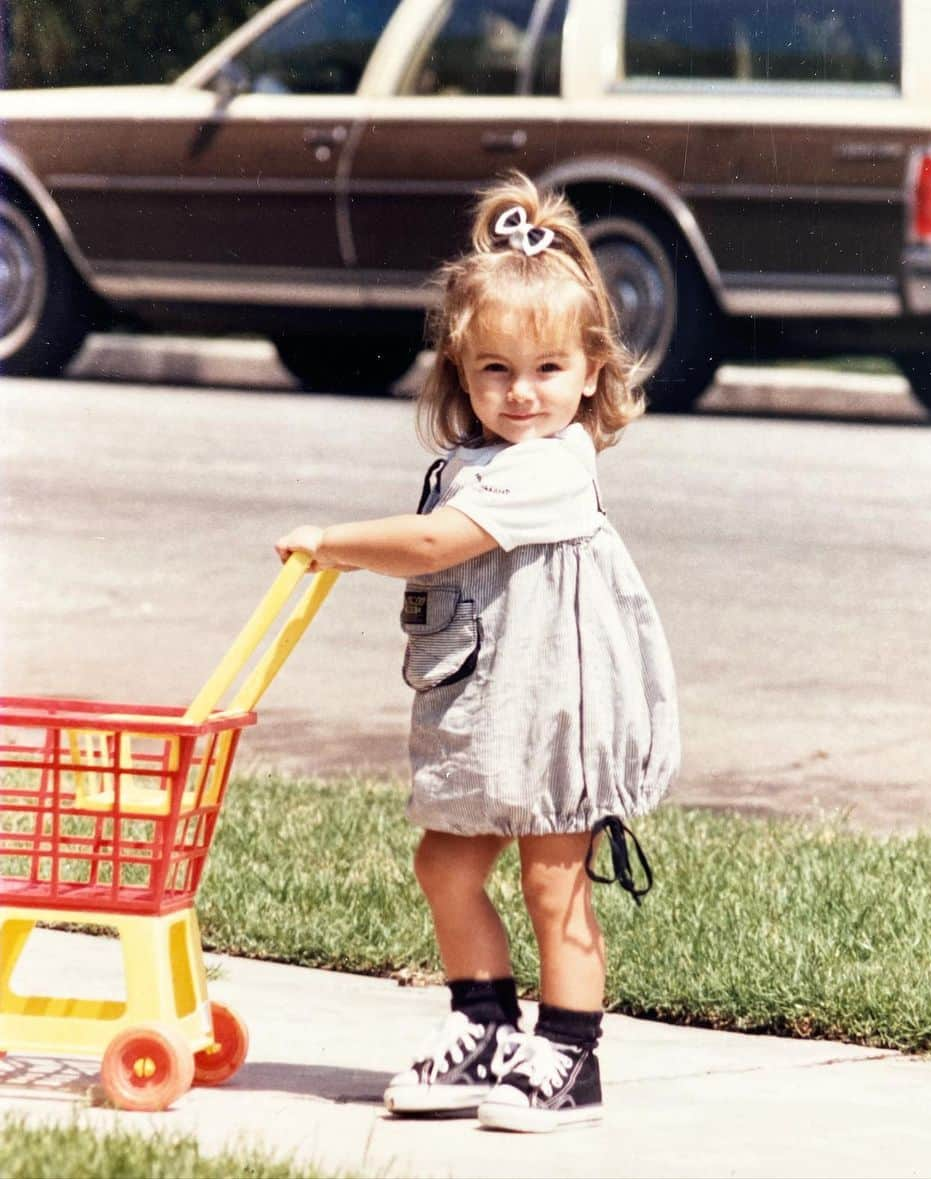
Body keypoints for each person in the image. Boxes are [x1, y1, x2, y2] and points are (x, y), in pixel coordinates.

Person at [274, 173, 679, 1134]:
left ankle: (569, 1050)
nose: (521, 392)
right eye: (494, 370)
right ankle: (484, 1022)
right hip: (486, 698)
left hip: (556, 705)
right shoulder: (476, 458)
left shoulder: (552, 463)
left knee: (552, 875)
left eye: (546, 370)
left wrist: (330, 540)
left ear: (590, 373)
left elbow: (432, 547)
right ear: (461, 371)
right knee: (446, 864)